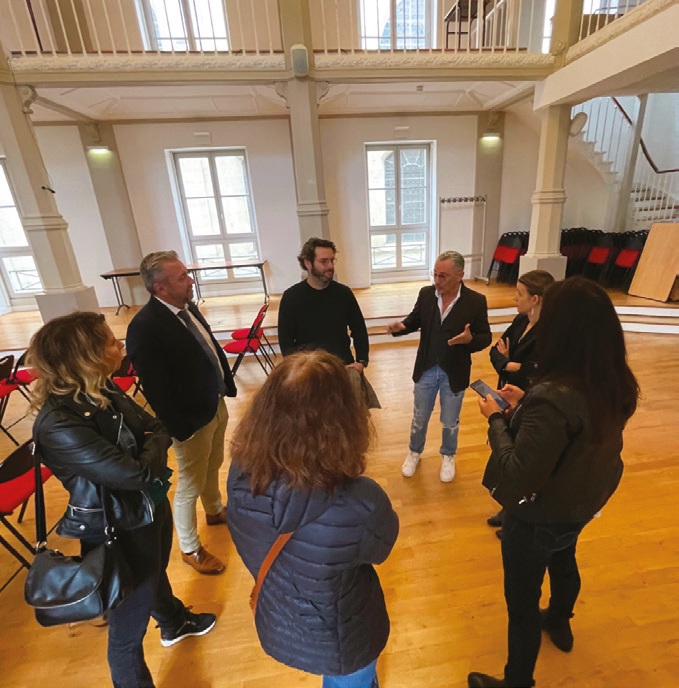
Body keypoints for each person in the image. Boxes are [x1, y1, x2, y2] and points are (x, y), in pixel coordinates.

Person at [28, 312, 217, 688]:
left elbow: (156, 428)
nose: (120, 346)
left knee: (154, 572)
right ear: (87, 356)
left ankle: (173, 622)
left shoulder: (101, 389)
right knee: (127, 631)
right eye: (111, 342)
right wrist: (150, 449)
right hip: (116, 526)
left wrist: (150, 446)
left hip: (145, 505)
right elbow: (134, 473)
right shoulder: (58, 424)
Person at [468, 276, 639, 688]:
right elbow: (572, 438)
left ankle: (517, 681)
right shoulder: (612, 380)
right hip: (583, 501)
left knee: (522, 603)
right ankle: (560, 618)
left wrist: (496, 419)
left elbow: (516, 476)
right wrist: (525, 405)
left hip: (537, 515)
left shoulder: (554, 395)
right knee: (564, 559)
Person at [227, 350, 399, 688]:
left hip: (280, 618)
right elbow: (382, 548)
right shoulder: (360, 501)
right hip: (343, 636)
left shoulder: (241, 473)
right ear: (344, 420)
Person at [126, 250, 237, 575]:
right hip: (190, 421)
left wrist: (224, 388)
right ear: (159, 287)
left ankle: (214, 509)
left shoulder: (188, 308)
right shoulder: (145, 327)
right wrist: (180, 429)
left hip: (214, 404)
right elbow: (156, 389)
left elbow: (208, 349)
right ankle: (190, 548)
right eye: (182, 277)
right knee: (190, 482)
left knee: (213, 463)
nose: (190, 281)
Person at [387, 250, 491, 482]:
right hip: (426, 367)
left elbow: (485, 337)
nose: (437, 280)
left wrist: (470, 340)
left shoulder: (476, 301)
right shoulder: (426, 294)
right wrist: (401, 327)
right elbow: (414, 320)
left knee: (450, 421)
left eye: (443, 276)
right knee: (419, 416)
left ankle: (448, 455)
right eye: (434, 274)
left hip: (454, 372)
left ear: (460, 275)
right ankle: (414, 452)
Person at [486, 270, 555, 536]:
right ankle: (509, 508)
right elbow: (495, 352)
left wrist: (510, 363)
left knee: (522, 456)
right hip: (508, 395)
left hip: (529, 401)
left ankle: (517, 516)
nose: (514, 297)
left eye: (519, 293)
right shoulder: (520, 320)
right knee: (506, 450)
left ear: (535, 299)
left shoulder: (550, 331)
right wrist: (510, 364)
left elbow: (538, 370)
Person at [277, 237, 379, 407]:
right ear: (308, 263)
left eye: (332, 260)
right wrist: (295, 370)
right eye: (323, 261)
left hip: (343, 370)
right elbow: (286, 341)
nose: (330, 266)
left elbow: (359, 329)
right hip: (309, 375)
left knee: (349, 420)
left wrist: (361, 361)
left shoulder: (343, 294)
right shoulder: (291, 297)